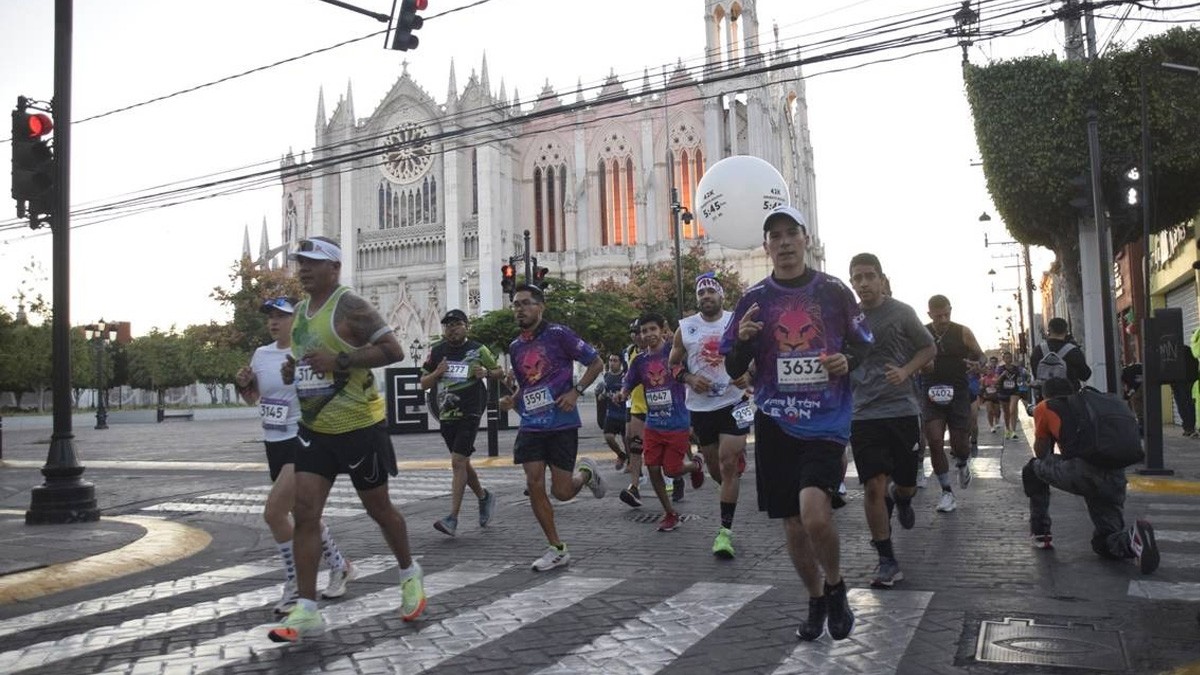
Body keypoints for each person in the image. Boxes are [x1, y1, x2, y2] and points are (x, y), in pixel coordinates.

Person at [722, 205, 872, 642]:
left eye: (792, 233)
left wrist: (849, 360)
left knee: (814, 515)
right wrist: (745, 343)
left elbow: (863, 344)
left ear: (805, 239)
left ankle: (837, 584)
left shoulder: (834, 291)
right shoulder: (752, 300)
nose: (784, 242)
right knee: (792, 523)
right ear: (766, 246)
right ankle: (815, 598)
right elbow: (733, 361)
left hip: (826, 420)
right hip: (774, 421)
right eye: (776, 236)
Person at [268, 236, 425, 643]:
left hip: (359, 426)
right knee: (305, 514)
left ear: (334, 268)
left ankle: (410, 574)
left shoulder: (351, 306)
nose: (303, 269)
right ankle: (306, 608)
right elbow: (304, 360)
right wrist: (292, 371)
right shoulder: (301, 312)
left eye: (312, 262)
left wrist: (341, 359)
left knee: (380, 510)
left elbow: (394, 350)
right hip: (315, 429)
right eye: (300, 262)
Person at [235, 297, 355, 615]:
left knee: (274, 513)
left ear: (295, 319)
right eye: (270, 317)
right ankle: (340, 565)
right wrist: (245, 385)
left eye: (281, 316)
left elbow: (329, 390)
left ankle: (295, 585)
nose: (274, 322)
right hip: (273, 442)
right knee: (304, 516)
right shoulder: (261, 354)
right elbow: (254, 399)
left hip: (301, 439)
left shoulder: (305, 350)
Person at [847, 254, 936, 588]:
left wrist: (905, 371)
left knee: (905, 481)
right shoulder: (848, 318)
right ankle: (886, 559)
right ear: (852, 282)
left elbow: (927, 350)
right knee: (872, 485)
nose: (865, 282)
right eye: (858, 277)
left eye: (870, 276)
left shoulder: (902, 312)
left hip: (901, 410)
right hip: (864, 413)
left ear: (882, 279)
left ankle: (903, 498)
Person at [503, 284, 607, 571]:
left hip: (561, 424)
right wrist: (512, 400)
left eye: (525, 303)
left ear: (540, 307)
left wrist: (576, 391)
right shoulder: (515, 347)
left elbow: (595, 363)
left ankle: (585, 474)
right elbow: (526, 386)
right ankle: (556, 548)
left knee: (561, 491)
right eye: (515, 305)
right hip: (532, 425)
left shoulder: (559, 335)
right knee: (533, 481)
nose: (520, 309)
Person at [1024, 377, 1160, 574]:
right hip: (1114, 474)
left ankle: (1041, 533)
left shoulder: (1045, 407)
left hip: (1082, 471)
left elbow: (1041, 454)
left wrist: (1045, 428)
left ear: (1045, 394)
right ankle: (1133, 538)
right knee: (1104, 542)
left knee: (1032, 469)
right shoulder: (1091, 405)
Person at [670, 272, 750, 556]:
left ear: (721, 296)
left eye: (710, 292)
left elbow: (757, 354)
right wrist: (689, 380)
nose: (706, 297)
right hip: (702, 408)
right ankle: (724, 484)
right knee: (717, 469)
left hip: (735, 402)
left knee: (729, 463)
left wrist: (748, 375)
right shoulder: (686, 328)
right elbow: (674, 365)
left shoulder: (735, 321)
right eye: (701, 293)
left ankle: (724, 532)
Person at [612, 312, 706, 533]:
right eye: (644, 331)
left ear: (663, 330)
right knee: (653, 468)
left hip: (677, 422)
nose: (648, 334)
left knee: (672, 471)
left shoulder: (674, 353)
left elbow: (691, 371)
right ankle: (670, 513)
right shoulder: (639, 361)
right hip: (653, 424)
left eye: (652, 329)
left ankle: (696, 465)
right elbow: (629, 383)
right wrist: (622, 394)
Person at [419, 309, 500, 537]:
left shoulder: (477, 349)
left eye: (456, 324)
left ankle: (452, 518)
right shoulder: (436, 352)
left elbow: (498, 371)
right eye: (448, 325)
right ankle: (484, 497)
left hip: (471, 411)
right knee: (462, 462)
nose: (451, 329)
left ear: (466, 326)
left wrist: (485, 372)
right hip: (446, 414)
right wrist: (437, 373)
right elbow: (423, 383)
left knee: (457, 462)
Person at [920, 295, 985, 514]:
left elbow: (982, 356)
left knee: (960, 445)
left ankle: (963, 462)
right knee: (935, 441)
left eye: (947, 314)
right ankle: (947, 492)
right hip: (930, 393)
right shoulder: (921, 332)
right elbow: (910, 358)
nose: (944, 319)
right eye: (938, 316)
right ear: (930, 314)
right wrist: (920, 366)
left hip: (958, 393)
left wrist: (978, 364)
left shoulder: (962, 332)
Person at [1030, 317, 1092, 397]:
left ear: (1049, 331)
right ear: (1066, 331)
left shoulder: (1037, 350)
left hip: (1045, 400)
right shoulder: (1073, 350)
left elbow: (1036, 374)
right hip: (1069, 399)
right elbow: (1085, 375)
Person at [596, 353, 631, 470]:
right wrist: (601, 396)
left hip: (624, 413)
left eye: (615, 360)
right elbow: (602, 395)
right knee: (608, 437)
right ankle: (621, 455)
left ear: (620, 363)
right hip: (611, 414)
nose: (612, 363)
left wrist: (622, 396)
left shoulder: (625, 376)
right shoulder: (606, 377)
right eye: (610, 360)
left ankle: (631, 463)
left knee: (626, 440)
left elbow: (629, 393)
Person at [994, 351, 1026, 441]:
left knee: (1012, 410)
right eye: (1006, 357)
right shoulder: (1000, 369)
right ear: (1003, 359)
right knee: (1006, 412)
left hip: (1014, 391)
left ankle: (1014, 431)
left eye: (1009, 357)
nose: (1008, 359)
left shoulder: (1017, 368)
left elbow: (1022, 377)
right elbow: (996, 381)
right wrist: (1002, 375)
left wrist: (1022, 383)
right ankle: (1007, 429)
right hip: (1003, 392)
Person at [980, 356, 1002, 433]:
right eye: (988, 369)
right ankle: (991, 426)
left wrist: (996, 386)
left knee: (997, 411)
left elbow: (1000, 385)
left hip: (996, 396)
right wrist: (982, 397)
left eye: (990, 369)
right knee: (989, 411)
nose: (989, 371)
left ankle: (997, 421)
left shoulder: (996, 377)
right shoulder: (983, 379)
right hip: (988, 397)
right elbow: (981, 388)